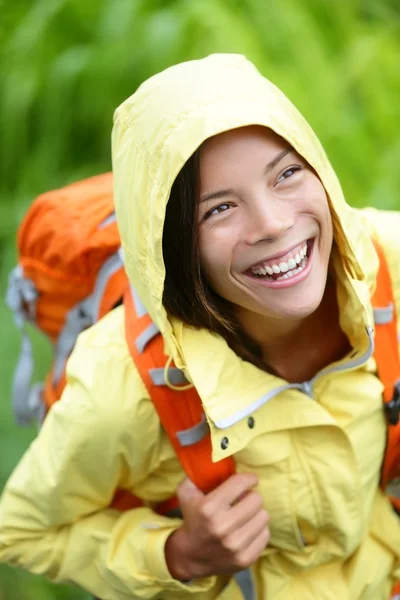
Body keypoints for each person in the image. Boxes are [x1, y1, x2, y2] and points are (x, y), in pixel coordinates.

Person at [0, 53, 399, 600]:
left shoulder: (390, 266)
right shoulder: (124, 385)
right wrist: (177, 554)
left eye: (287, 173)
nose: (274, 224)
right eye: (218, 209)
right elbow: (24, 531)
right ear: (172, 245)